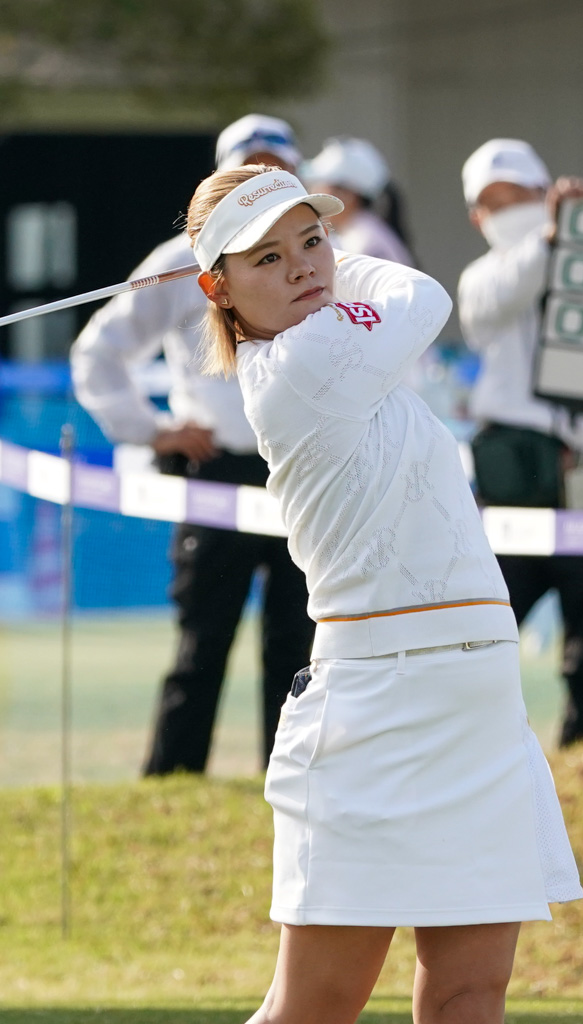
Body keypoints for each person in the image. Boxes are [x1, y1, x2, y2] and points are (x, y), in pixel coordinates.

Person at [184, 164, 583, 1023]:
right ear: (216, 287)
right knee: (315, 1006)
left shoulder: (343, 352)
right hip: (375, 703)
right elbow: (421, 295)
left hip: (476, 700)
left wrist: (296, 256)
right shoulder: (301, 363)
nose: (302, 267)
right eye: (266, 258)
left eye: (312, 241)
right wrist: (333, 258)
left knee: (470, 992)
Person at [70, 115, 316, 775]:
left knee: (300, 646)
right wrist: (154, 429)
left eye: (275, 169)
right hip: (218, 473)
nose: (262, 182)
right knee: (202, 641)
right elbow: (99, 351)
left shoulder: (320, 254)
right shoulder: (181, 261)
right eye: (247, 169)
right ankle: (173, 779)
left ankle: (291, 780)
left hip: (302, 472)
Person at [457, 138, 583, 747]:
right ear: (477, 217)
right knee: (483, 634)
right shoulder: (481, 277)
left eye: (523, 195)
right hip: (514, 480)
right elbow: (497, 299)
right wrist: (554, 235)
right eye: (495, 202)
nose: (511, 210)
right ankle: (475, 759)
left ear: (546, 190)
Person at [302, 136, 416, 265]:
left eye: (318, 184)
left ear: (346, 195)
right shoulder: (362, 232)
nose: (312, 192)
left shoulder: (362, 241)